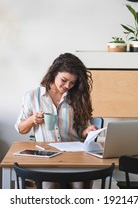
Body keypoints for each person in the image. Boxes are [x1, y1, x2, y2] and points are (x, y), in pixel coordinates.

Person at [15, 52, 97, 188]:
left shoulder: (77, 96)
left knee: (81, 186)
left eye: (72, 83)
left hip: (75, 157)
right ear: (53, 73)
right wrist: (32, 120)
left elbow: (82, 130)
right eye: (64, 80)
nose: (67, 86)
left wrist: (87, 131)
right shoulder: (32, 96)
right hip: (46, 157)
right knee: (50, 186)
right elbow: (20, 128)